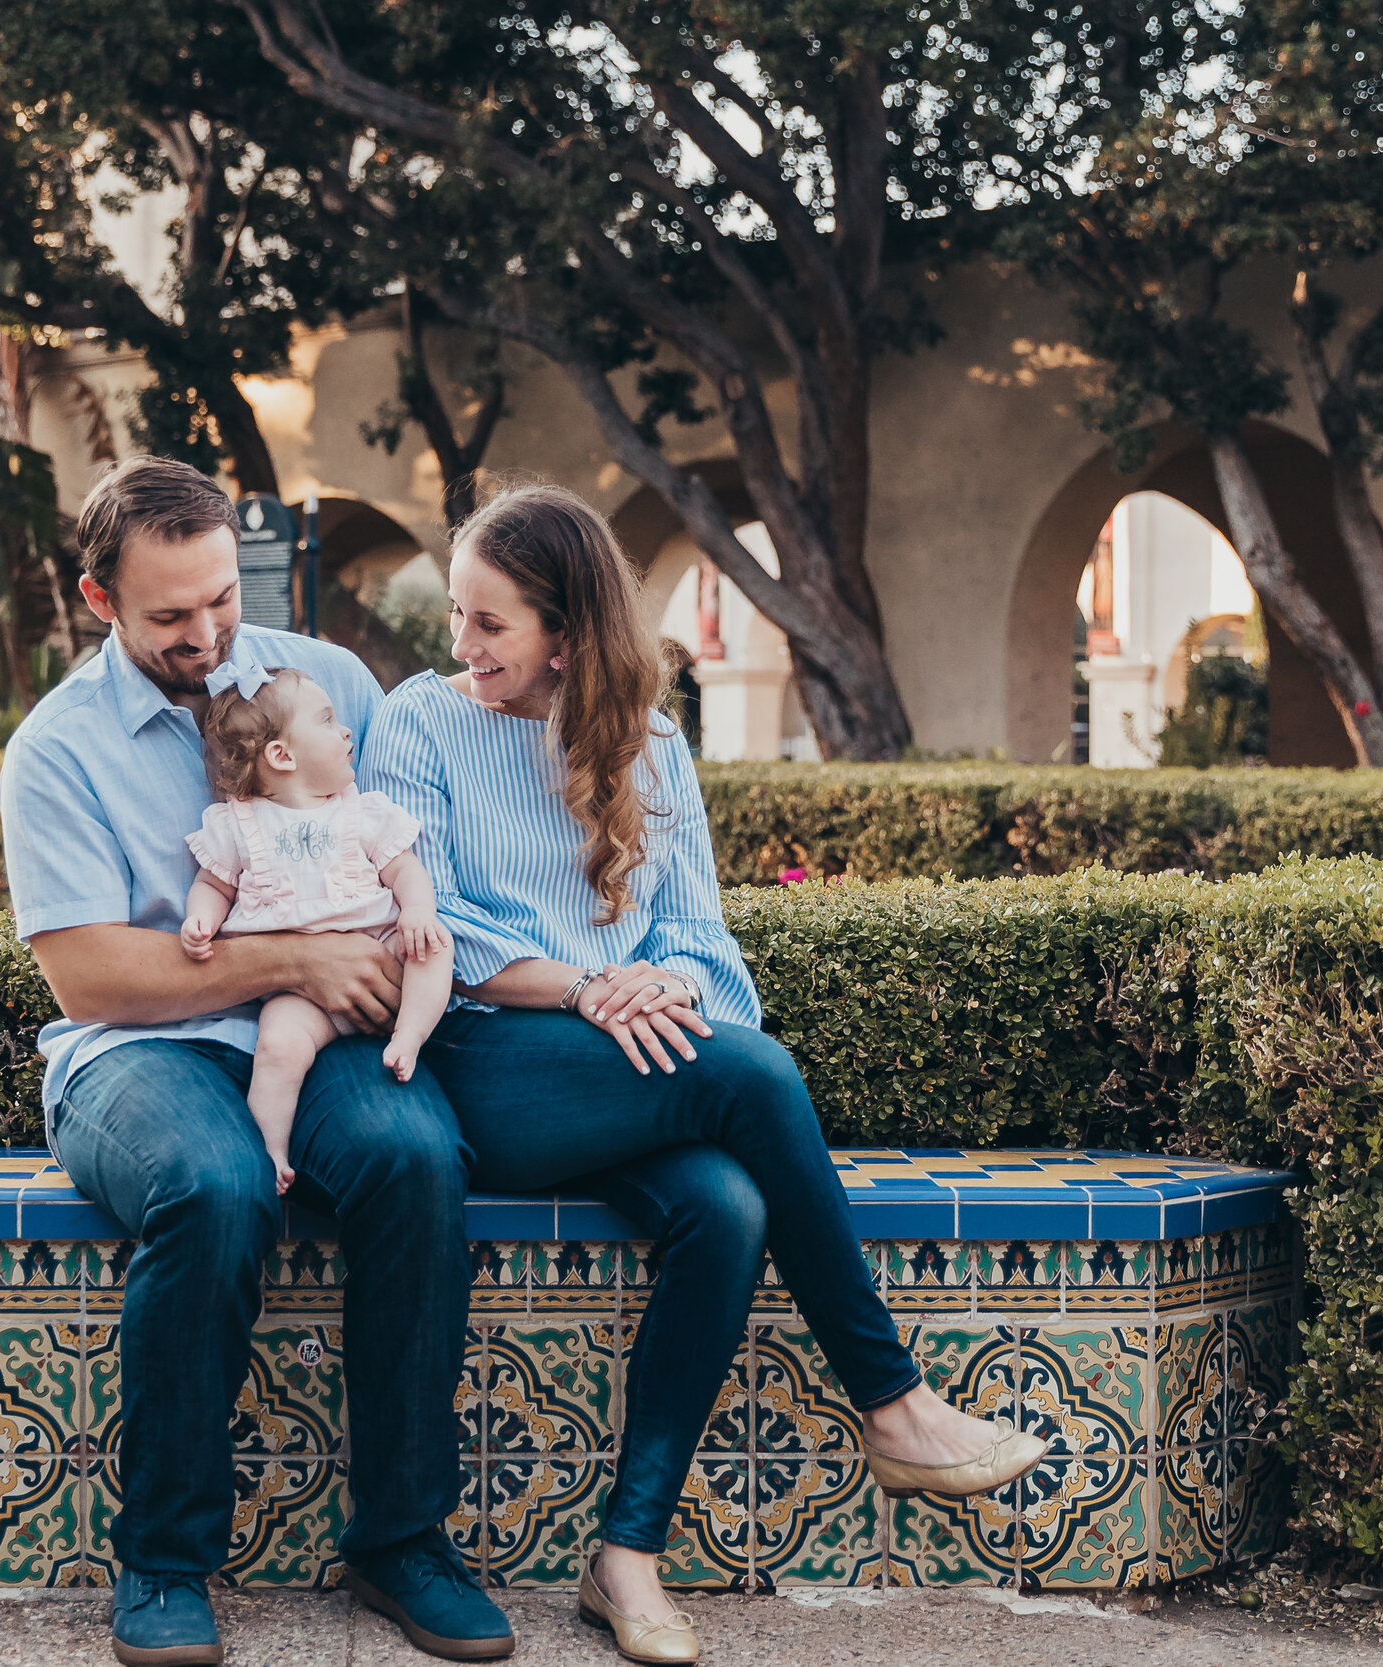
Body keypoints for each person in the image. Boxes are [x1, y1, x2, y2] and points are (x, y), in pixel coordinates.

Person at [364, 484, 1041, 1665]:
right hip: (490, 1059)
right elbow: (433, 927)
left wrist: (655, 990)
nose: (459, 644)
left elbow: (698, 940)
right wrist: (584, 986)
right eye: (460, 616)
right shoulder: (418, 721)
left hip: (633, 1056)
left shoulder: (650, 740)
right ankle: (892, 1400)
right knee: (760, 1077)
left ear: (567, 634)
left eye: (490, 623)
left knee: (725, 1209)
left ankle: (626, 1553)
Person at [0, 456, 515, 1667]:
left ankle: (403, 1539)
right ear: (98, 598)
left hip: (322, 1025)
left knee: (412, 1154)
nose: (207, 632)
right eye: (170, 614)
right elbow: (92, 977)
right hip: (137, 1053)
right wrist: (288, 959)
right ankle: (166, 1560)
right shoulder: (55, 751)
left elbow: (397, 856)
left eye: (220, 597)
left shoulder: (325, 680)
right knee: (217, 1187)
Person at [182, 661, 457, 1192]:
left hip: (379, 951)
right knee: (279, 1048)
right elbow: (214, 885)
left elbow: (405, 870)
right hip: (298, 992)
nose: (346, 730)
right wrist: (202, 919)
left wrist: (418, 911)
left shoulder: (363, 812)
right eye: (328, 721)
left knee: (434, 948)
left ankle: (409, 1036)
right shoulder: (239, 822)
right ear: (281, 756)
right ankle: (273, 1148)